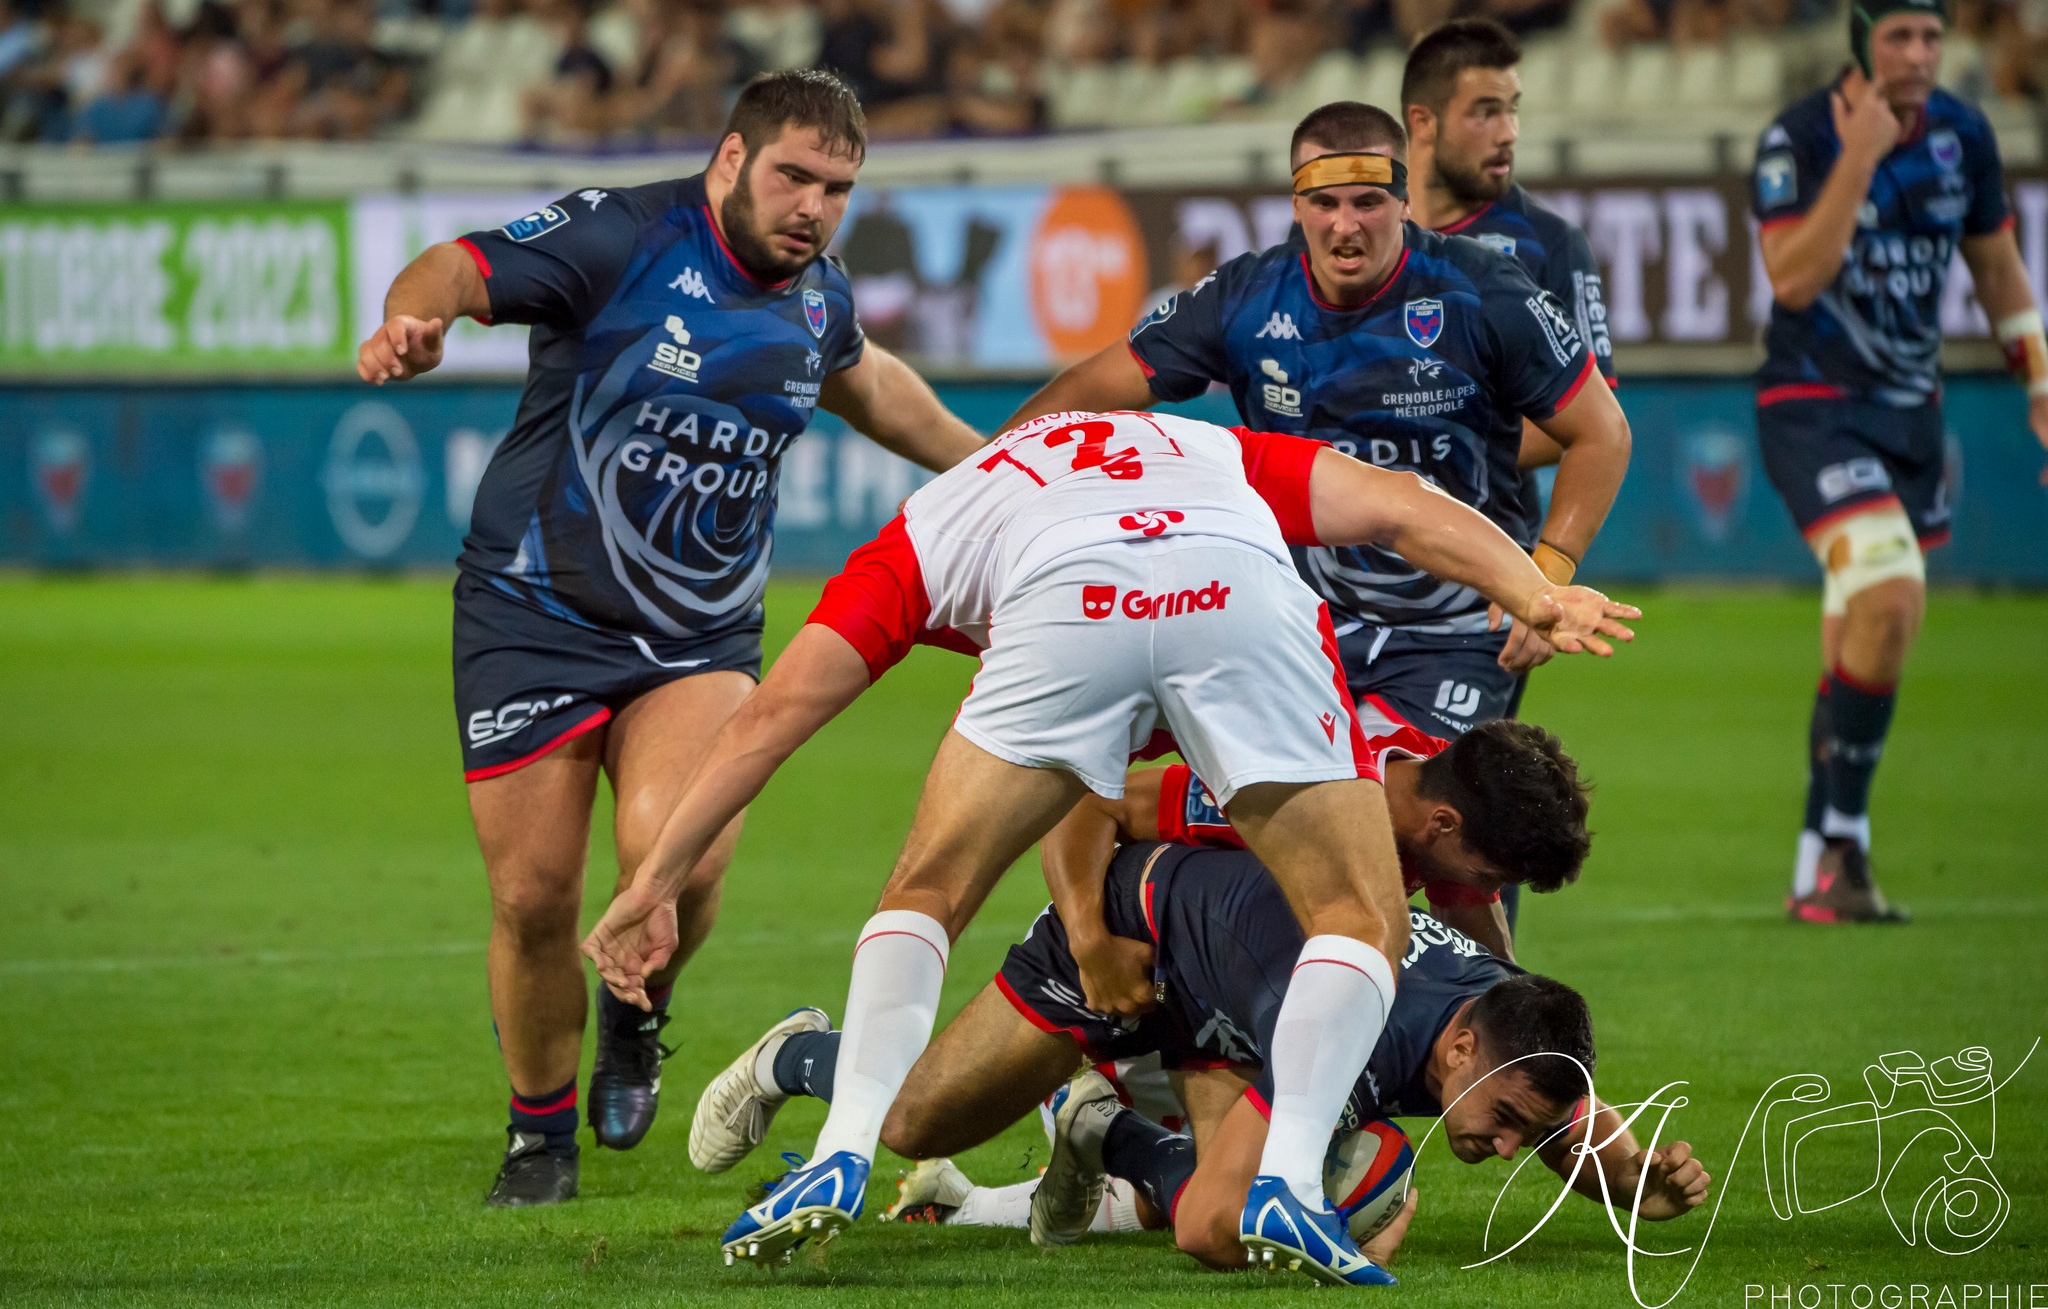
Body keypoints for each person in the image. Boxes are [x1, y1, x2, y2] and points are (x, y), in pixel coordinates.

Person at [581, 407, 1638, 1283]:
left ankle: (841, 1151)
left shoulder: (936, 523)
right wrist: (1532, 590)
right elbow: (1403, 508)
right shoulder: (1215, 453)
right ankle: (1288, 1193)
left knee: (929, 886)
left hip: (1067, 621)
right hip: (1228, 623)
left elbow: (770, 717)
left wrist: (651, 882)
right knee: (1361, 919)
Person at [352, 69, 984, 1207]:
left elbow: (881, 391)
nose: (814, 206)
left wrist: (1001, 472)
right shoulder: (622, 237)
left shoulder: (816, 302)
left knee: (675, 859)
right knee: (533, 895)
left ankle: (634, 1014)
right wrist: (419, 315)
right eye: (796, 175)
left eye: (838, 188)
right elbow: (457, 263)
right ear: (732, 159)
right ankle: (538, 1138)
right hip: (530, 613)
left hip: (695, 640)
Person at [687, 845, 1709, 1277]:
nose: (1505, 1144)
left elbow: (1567, 1107)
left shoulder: (1499, 1027)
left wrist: (1629, 1183)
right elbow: (1216, 1229)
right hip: (1135, 941)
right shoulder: (1372, 1031)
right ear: (1454, 1044)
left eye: (1525, 1131)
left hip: (1235, 1004)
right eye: (1510, 1120)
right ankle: (800, 1054)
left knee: (1254, 1169)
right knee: (913, 1121)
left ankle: (1099, 1127)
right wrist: (1333, 1240)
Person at [998, 102, 1630, 752]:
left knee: (1398, 813)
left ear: (1405, 202)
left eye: (1368, 202)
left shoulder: (1486, 292)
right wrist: (983, 498)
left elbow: (1603, 432)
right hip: (1298, 622)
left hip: (1459, 632)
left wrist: (1545, 573)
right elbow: (1084, 392)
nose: (1345, 225)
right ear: (1296, 206)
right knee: (1081, 746)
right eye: (1324, 202)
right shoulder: (1246, 298)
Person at [1750, 0, 2048, 923]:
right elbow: (1793, 278)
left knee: (1863, 630)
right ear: (1862, 44)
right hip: (1813, 404)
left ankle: (1819, 871)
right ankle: (1845, 842)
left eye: (1931, 38)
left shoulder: (1965, 134)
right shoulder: (1798, 139)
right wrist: (1861, 159)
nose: (1918, 56)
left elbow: (1998, 266)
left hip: (1910, 416)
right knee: (1889, 594)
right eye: (1898, 40)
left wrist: (2039, 380)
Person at [1393, 16, 1623, 932]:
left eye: (1513, 110)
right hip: (1341, 570)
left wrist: (1422, 441)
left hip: (1479, 578)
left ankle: (1478, 1020)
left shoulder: (1547, 248)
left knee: (1464, 802)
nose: (1508, 133)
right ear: (1421, 124)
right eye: (1484, 110)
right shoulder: (1361, 232)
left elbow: (1588, 417)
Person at [1044, 717, 1590, 980]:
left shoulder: (1440, 787)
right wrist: (1091, 946)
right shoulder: (1293, 793)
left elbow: (1492, 980)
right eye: (1487, 873)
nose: (1482, 889)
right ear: (1443, 826)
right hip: (1127, 967)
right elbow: (1092, 802)